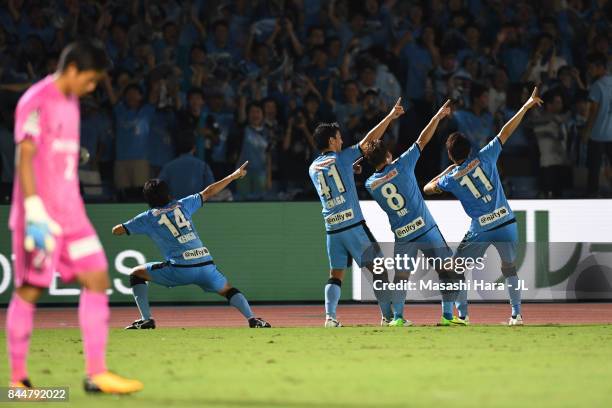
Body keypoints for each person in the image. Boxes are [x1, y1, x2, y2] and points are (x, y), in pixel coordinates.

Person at [6, 40, 143, 394]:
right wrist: (34, 209)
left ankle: (96, 374)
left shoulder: (72, 104)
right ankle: (18, 380)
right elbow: (25, 155)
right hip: (38, 215)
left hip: (72, 214)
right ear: (71, 70)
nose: (93, 87)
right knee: (31, 288)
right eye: (91, 79)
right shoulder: (35, 100)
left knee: (97, 277)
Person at [424, 87, 543, 326]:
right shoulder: (487, 156)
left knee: (456, 270)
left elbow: (427, 188)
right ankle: (516, 315)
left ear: (450, 155)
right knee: (509, 269)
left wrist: (450, 169)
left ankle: (463, 316)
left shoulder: (452, 177)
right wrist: (526, 106)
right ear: (469, 149)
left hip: (482, 228)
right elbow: (505, 131)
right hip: (506, 221)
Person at [111, 164, 271, 329]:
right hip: (206, 266)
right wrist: (234, 175)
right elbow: (208, 192)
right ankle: (252, 319)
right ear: (168, 193)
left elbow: (117, 231)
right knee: (228, 290)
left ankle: (146, 320)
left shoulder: (147, 217)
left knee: (136, 274)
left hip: (180, 269)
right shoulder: (183, 204)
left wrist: (123, 225)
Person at [363, 100, 465, 327]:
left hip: (403, 234)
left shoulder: (371, 184)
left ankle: (398, 318)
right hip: (426, 228)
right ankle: (448, 317)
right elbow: (423, 139)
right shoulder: (403, 164)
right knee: (446, 270)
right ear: (388, 155)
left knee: (400, 277)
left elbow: (373, 164)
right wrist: (437, 117)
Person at [308, 98, 404, 327]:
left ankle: (330, 318)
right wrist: (390, 117)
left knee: (336, 274)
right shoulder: (343, 157)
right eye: (339, 138)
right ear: (331, 140)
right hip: (353, 227)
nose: (342, 141)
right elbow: (369, 141)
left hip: (332, 229)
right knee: (379, 270)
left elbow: (331, 175)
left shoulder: (312, 168)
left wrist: (348, 171)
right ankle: (388, 317)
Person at [582, 52, 612, 197]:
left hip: (598, 134)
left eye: (591, 67)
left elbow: (593, 112)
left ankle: (592, 195)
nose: (589, 70)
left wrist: (586, 131)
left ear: (599, 67)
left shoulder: (597, 85)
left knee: (594, 168)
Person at [159, 133, 215, 200]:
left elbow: (159, 189)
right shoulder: (203, 166)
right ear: (194, 148)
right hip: (197, 207)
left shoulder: (168, 167)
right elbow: (211, 190)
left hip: (175, 208)